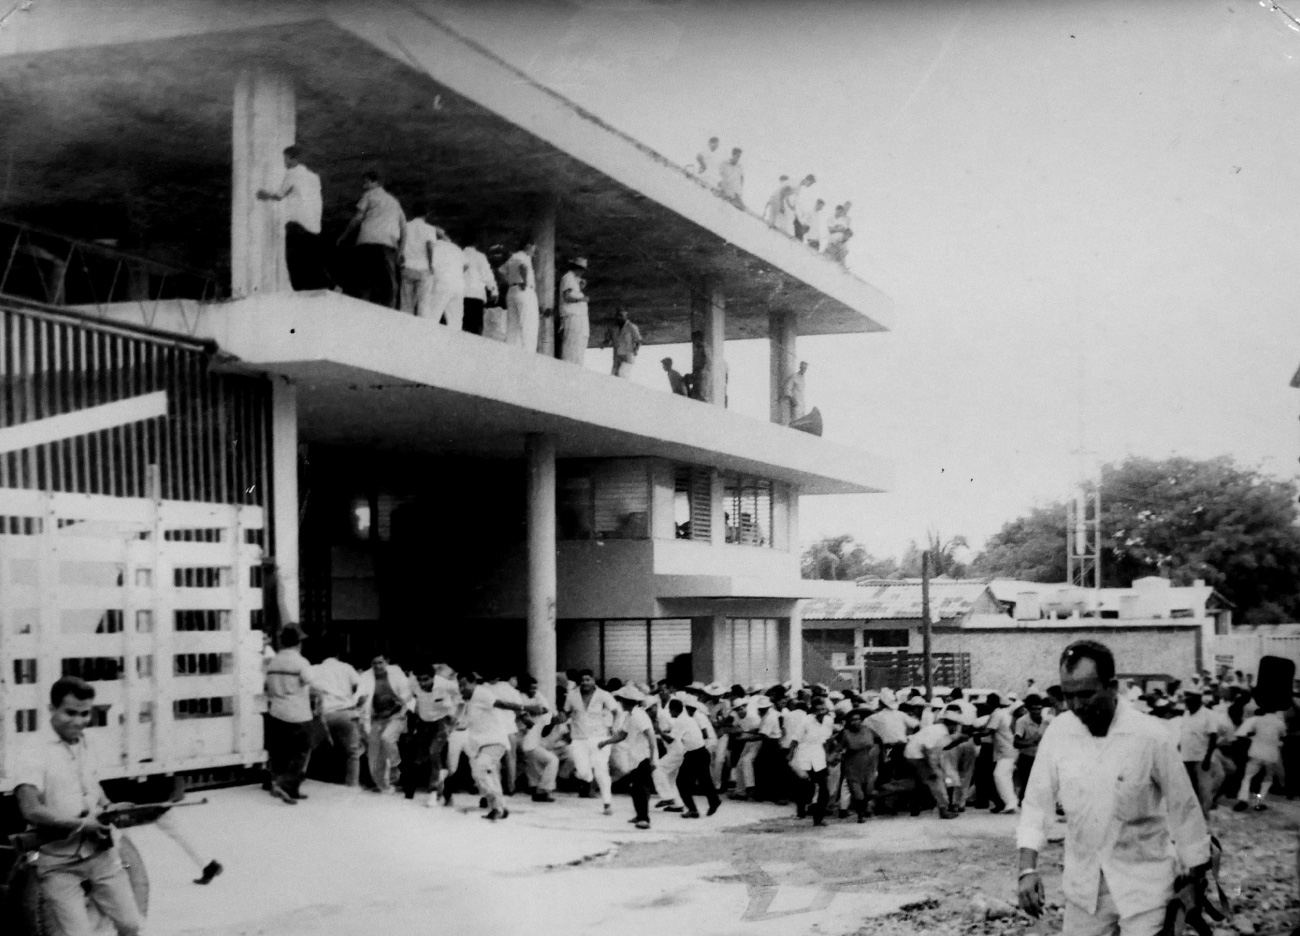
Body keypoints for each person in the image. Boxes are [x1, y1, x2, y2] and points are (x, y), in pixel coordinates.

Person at [1017, 640, 1212, 936]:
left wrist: (1196, 877)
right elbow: (1035, 804)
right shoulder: (1058, 732)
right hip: (1084, 890)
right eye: (1069, 696)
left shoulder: (1150, 736)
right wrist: (1027, 869)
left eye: (1086, 694)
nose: (1077, 706)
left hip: (1145, 890)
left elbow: (1184, 809)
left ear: (1112, 686)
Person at [14, 676, 145, 936]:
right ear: (52, 709)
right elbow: (30, 809)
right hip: (57, 863)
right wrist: (83, 825)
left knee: (131, 925)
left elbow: (94, 790)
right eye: (70, 713)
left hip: (101, 855)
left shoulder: (90, 742)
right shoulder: (32, 748)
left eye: (85, 714)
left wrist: (112, 807)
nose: (78, 721)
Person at [457, 672, 545, 821]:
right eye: (459, 685)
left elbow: (503, 704)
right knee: (488, 775)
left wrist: (528, 708)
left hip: (494, 741)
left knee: (481, 770)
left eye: (463, 684)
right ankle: (501, 807)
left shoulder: (481, 693)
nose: (461, 688)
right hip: (479, 743)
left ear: (473, 682)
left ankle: (497, 806)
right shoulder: (469, 699)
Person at [264, 628, 328, 803]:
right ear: (299, 643)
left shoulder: (273, 662)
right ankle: (283, 785)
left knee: (284, 751)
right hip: (297, 713)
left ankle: (291, 789)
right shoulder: (301, 662)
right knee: (302, 751)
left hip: (277, 712)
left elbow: (266, 686)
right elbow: (314, 684)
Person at [256, 144, 330, 290]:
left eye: (285, 159)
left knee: (295, 262)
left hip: (297, 225)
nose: (284, 163)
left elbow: (279, 195)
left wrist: (264, 194)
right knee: (312, 262)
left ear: (291, 158)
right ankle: (328, 286)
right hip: (314, 228)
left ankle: (301, 291)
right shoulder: (314, 177)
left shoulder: (293, 173)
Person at [337, 170, 405, 308]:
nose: (364, 186)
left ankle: (360, 307)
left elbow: (357, 218)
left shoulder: (369, 195)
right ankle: (388, 310)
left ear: (376, 183)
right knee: (388, 281)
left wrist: (343, 237)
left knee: (363, 277)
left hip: (368, 241)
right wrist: (401, 251)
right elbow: (404, 228)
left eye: (366, 182)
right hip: (388, 245)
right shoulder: (394, 202)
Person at [356, 655, 413, 794]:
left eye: (380, 662)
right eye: (374, 663)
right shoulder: (366, 677)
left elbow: (407, 696)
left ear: (387, 662)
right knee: (375, 753)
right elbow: (359, 696)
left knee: (387, 738)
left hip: (397, 715)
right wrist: (359, 702)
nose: (377, 666)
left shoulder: (396, 673)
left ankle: (395, 766)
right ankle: (381, 784)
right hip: (376, 717)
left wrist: (395, 709)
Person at [565, 669, 619, 814]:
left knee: (601, 769)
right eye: (582, 680)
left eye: (588, 680)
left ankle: (607, 803)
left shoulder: (603, 695)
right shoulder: (572, 695)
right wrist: (562, 720)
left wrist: (614, 727)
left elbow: (616, 711)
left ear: (593, 680)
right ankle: (588, 777)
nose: (585, 683)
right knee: (583, 773)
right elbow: (566, 712)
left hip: (599, 736)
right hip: (579, 737)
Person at [406, 663, 460, 805]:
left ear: (433, 677)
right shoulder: (412, 683)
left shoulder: (446, 685)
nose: (422, 683)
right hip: (424, 721)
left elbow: (462, 696)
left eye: (425, 679)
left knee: (434, 753)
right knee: (419, 758)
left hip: (441, 722)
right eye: (420, 680)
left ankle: (433, 791)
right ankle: (420, 790)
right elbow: (407, 699)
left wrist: (454, 713)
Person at [311, 643, 363, 787]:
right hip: (346, 714)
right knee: (353, 753)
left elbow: (308, 691)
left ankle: (325, 784)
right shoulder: (346, 667)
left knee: (319, 752)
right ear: (337, 655)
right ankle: (352, 786)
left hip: (324, 716)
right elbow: (361, 688)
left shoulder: (314, 669)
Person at [609, 685, 659, 828]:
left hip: (644, 756)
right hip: (635, 756)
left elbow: (650, 736)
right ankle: (639, 815)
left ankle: (644, 818)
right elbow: (623, 734)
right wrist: (606, 742)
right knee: (636, 788)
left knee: (640, 787)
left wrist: (653, 758)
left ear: (626, 701)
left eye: (621, 700)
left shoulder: (638, 716)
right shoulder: (630, 716)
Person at [667, 697, 720, 818]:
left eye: (670, 710)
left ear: (675, 710)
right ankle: (714, 801)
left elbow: (671, 740)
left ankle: (693, 809)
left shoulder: (681, 721)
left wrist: (659, 731)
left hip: (694, 754)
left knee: (681, 782)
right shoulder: (688, 719)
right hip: (700, 752)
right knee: (704, 781)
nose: (670, 713)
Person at [789, 695, 835, 825]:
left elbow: (827, 740)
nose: (821, 711)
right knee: (805, 786)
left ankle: (818, 818)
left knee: (824, 788)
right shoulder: (806, 720)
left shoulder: (828, 721)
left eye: (823, 708)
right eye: (818, 708)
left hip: (819, 755)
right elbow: (795, 738)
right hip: (804, 753)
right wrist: (791, 754)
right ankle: (801, 810)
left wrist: (827, 755)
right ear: (813, 709)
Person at [1234, 703, 1287, 812]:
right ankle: (1259, 802)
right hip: (1271, 755)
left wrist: (1255, 737)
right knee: (1267, 779)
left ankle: (1242, 800)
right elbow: (1283, 735)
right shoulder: (1280, 723)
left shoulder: (1258, 720)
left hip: (1256, 752)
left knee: (1247, 777)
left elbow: (1248, 733)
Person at [1178, 688, 1219, 815]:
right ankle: (1192, 814)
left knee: (1204, 789)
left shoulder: (1209, 714)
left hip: (1202, 758)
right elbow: (1184, 733)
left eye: (1189, 702)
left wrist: (1207, 757)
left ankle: (1204, 814)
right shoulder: (1186, 713)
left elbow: (1213, 737)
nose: (1186, 704)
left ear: (1197, 701)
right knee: (1189, 787)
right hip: (1186, 756)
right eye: (1186, 702)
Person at [518, 674, 559, 802]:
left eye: (535, 688)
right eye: (531, 688)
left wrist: (538, 712)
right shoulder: (520, 697)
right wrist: (536, 712)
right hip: (520, 735)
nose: (533, 690)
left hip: (533, 737)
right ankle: (541, 790)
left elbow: (547, 711)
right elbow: (527, 719)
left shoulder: (538, 695)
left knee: (539, 762)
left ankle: (537, 788)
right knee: (551, 760)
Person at [398, 202, 437, 317]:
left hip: (407, 267)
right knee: (423, 304)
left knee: (406, 303)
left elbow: (400, 243)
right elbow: (429, 246)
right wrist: (431, 264)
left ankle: (405, 327)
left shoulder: (406, 226)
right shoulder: (429, 228)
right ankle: (421, 330)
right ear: (426, 214)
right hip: (423, 268)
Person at [500, 238, 539, 351]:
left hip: (512, 291)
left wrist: (510, 281)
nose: (534, 251)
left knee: (512, 326)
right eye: (533, 248)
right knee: (528, 325)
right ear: (529, 245)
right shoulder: (524, 257)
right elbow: (523, 267)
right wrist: (524, 281)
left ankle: (510, 353)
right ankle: (528, 354)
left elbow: (501, 272)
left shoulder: (513, 257)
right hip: (524, 291)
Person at [839, 709, 878, 822]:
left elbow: (877, 742)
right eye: (852, 720)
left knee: (868, 790)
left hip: (868, 764)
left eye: (858, 719)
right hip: (852, 765)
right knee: (857, 792)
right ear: (848, 722)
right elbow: (837, 747)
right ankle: (860, 815)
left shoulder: (868, 730)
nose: (855, 722)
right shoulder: (845, 733)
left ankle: (866, 809)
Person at [984, 693, 1019, 814]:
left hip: (1006, 750)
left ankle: (1011, 803)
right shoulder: (1004, 713)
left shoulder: (997, 714)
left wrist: (972, 734)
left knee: (1000, 775)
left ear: (991, 703)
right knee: (1005, 777)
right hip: (1009, 749)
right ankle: (1009, 803)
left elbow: (987, 731)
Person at [1013, 693, 1050, 802]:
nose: (1037, 712)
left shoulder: (1047, 720)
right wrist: (1031, 742)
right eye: (1033, 709)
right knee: (1028, 785)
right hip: (1027, 758)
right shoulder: (1022, 721)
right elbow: (1016, 742)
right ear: (1028, 709)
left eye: (1039, 708)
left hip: (1043, 758)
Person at [461, 232, 498, 335]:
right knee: (475, 330)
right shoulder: (480, 257)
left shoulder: (459, 254)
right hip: (476, 296)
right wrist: (494, 291)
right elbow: (487, 276)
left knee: (461, 328)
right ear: (476, 243)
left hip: (461, 295)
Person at [558, 257, 590, 365]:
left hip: (578, 318)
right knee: (571, 346)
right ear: (579, 269)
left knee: (578, 347)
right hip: (572, 317)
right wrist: (581, 299)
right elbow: (567, 297)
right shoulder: (568, 277)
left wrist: (580, 288)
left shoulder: (574, 280)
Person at [604, 307, 642, 377]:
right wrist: (605, 342)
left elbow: (638, 340)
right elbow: (608, 339)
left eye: (622, 316)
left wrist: (635, 351)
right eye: (618, 315)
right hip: (617, 357)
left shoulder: (631, 327)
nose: (619, 318)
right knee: (613, 376)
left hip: (627, 356)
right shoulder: (614, 328)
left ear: (626, 316)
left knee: (622, 373)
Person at [793, 174, 817, 241]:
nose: (811, 184)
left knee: (799, 239)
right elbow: (796, 203)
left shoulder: (804, 189)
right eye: (811, 182)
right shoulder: (799, 186)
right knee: (797, 239)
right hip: (796, 217)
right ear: (808, 180)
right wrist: (801, 220)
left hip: (800, 218)